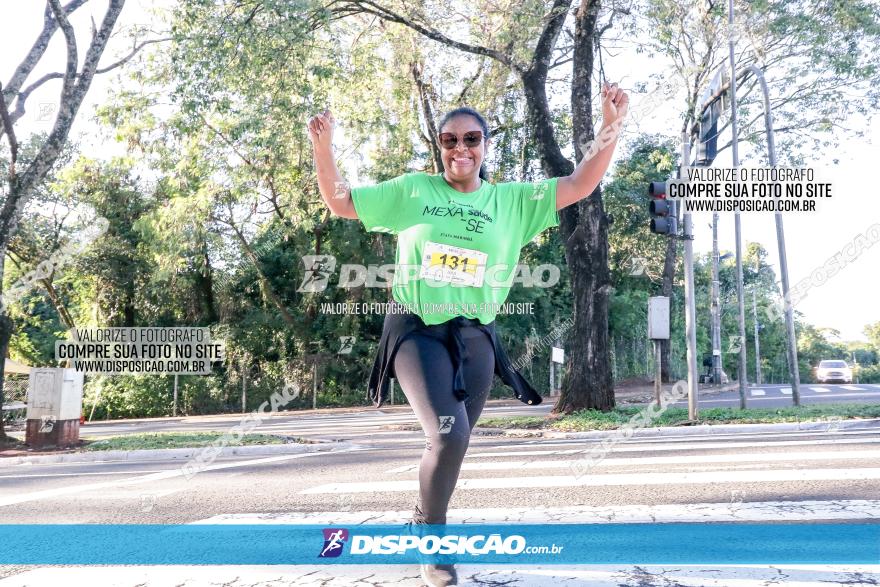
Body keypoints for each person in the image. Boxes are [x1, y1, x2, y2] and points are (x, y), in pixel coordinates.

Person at [308, 83, 628, 586]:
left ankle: (421, 516)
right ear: (440, 147)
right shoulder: (415, 191)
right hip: (416, 328)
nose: (461, 149)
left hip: (476, 335)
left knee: (457, 441)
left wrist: (611, 124)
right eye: (450, 140)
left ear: (485, 145)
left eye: (472, 139)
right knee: (448, 433)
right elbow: (340, 201)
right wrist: (323, 149)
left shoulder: (513, 201)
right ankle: (432, 542)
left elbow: (581, 183)